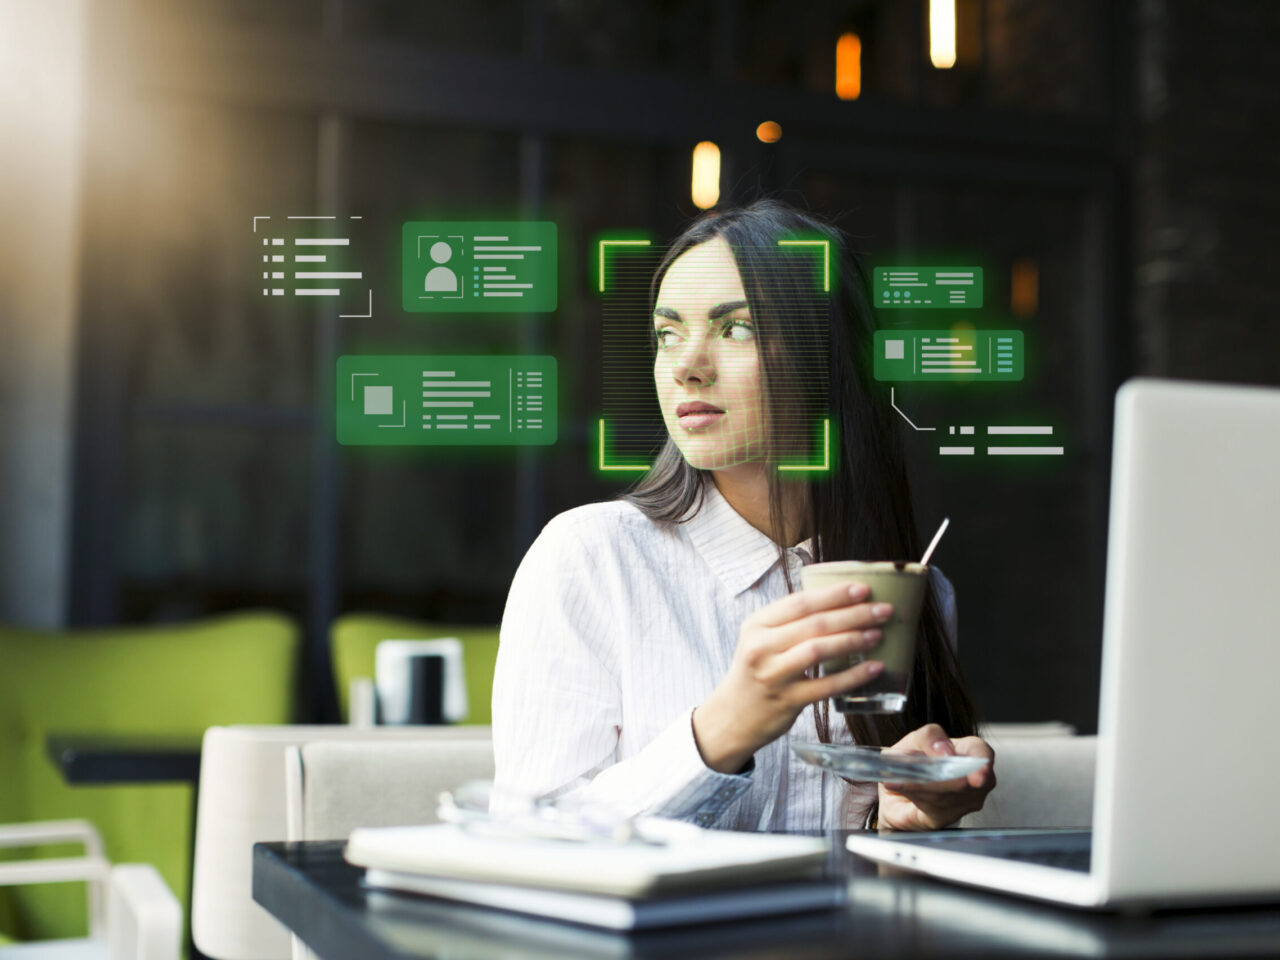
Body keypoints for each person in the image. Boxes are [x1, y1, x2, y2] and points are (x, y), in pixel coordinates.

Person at [492, 198, 994, 831]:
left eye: (736, 328)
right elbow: (527, 843)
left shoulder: (914, 592)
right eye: (668, 333)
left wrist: (897, 819)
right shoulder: (589, 558)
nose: (686, 366)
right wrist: (724, 726)